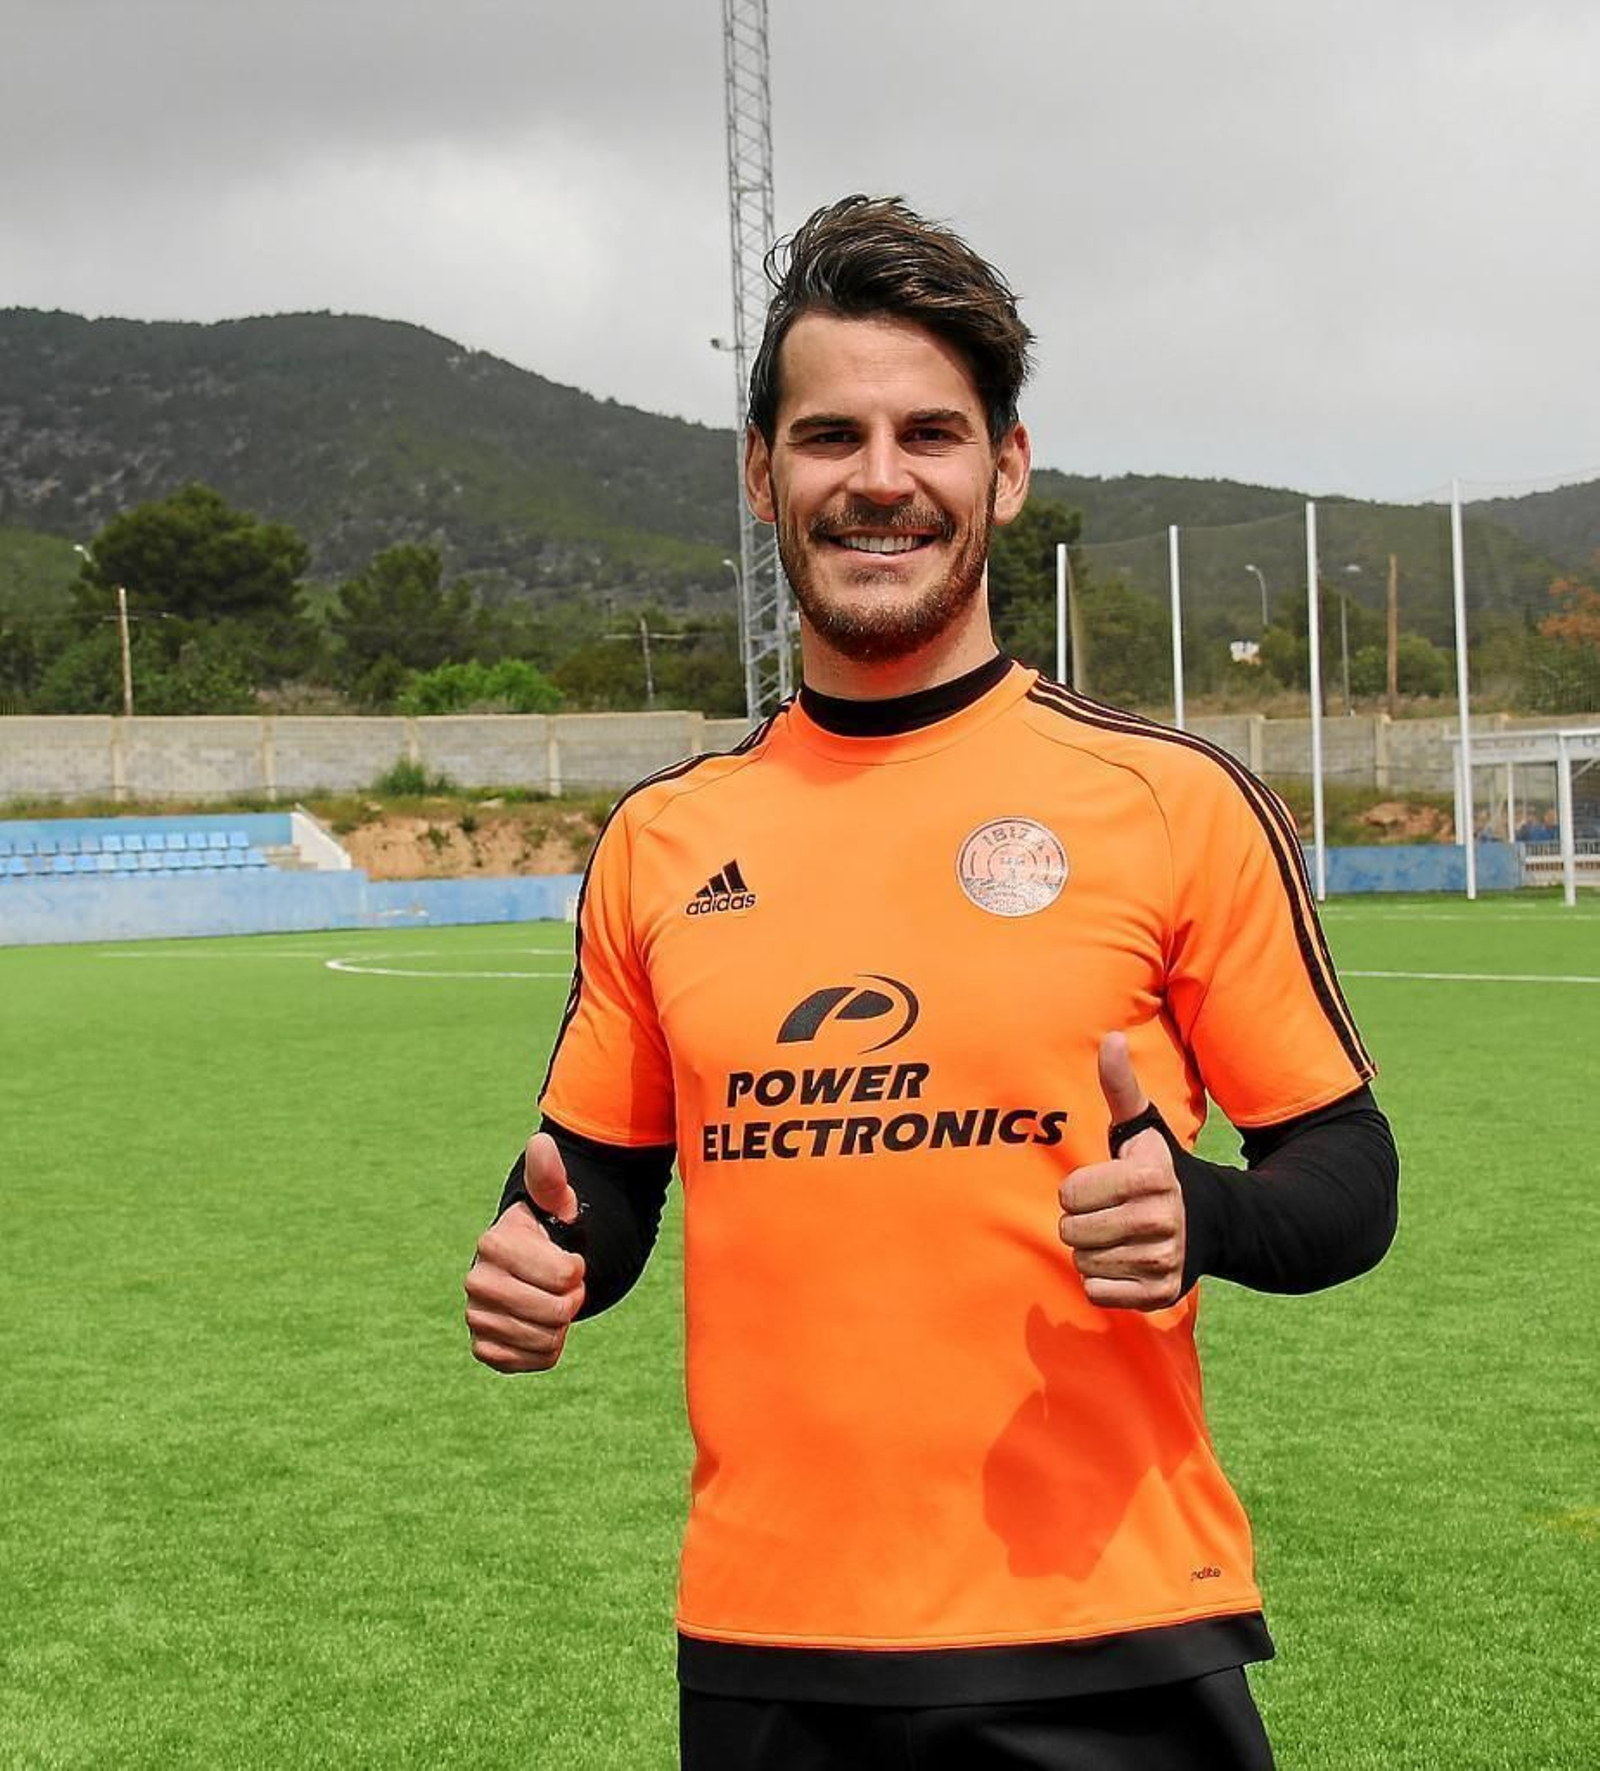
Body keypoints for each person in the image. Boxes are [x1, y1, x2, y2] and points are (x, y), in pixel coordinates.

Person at [464, 195, 1399, 1771]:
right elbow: (599, 1179)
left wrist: (1204, 1216)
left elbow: (1347, 1174)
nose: (880, 479)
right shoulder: (663, 839)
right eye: (830, 435)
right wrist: (543, 1256)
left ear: (1005, 470)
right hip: (770, 1648)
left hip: (1105, 1635)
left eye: (931, 434)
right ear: (760, 475)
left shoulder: (1168, 802)